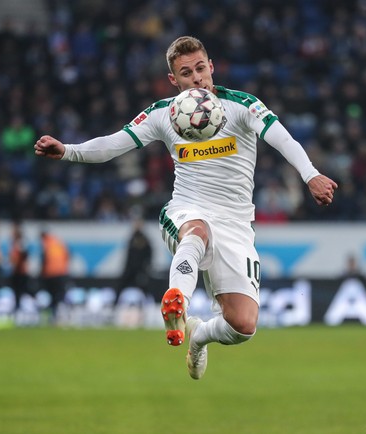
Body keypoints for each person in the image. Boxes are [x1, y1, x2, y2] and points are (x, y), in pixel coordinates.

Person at [34, 36, 337, 379]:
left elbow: (282, 138)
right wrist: (68, 150)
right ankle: (178, 303)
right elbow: (114, 144)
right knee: (197, 231)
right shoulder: (163, 113)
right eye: (185, 72)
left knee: (243, 325)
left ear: (211, 67)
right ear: (173, 80)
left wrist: (310, 175)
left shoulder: (243, 106)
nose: (196, 78)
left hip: (236, 224)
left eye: (199, 68)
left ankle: (198, 335)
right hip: (186, 209)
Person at [39, 229, 70, 321]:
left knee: (52, 296)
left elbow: (44, 259)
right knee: (59, 295)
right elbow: (67, 256)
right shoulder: (59, 242)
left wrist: (42, 273)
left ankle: (54, 315)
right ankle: (61, 314)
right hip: (61, 272)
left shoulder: (46, 244)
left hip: (51, 274)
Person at [118, 218, 153, 291]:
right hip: (131, 268)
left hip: (141, 269)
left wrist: (146, 266)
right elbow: (129, 255)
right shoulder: (131, 238)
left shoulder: (145, 239)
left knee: (144, 286)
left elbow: (148, 254)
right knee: (123, 284)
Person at [9, 220, 30, 311]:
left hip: (21, 271)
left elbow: (23, 255)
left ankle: (22, 309)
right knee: (17, 291)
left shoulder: (21, 241)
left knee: (21, 291)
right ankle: (18, 307)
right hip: (16, 270)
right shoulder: (14, 242)